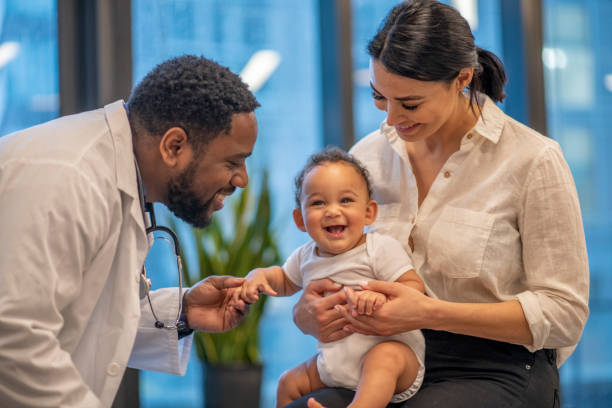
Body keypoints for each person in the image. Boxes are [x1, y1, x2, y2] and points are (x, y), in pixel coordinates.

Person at [290, 1, 590, 407]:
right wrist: (309, 316)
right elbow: (332, 257)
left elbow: (564, 314)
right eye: (381, 98)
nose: (392, 118)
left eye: (410, 103)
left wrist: (429, 312)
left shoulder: (533, 160)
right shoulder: (368, 156)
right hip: (386, 355)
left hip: (497, 365)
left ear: (462, 78)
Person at [0, 55, 258, 407]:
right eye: (232, 162)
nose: (242, 179)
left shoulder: (116, 177)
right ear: (174, 147)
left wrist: (182, 313)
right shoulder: (67, 176)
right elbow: (13, 335)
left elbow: (82, 321)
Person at [238, 147, 425, 408]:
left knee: (383, 357)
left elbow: (414, 287)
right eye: (318, 203)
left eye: (346, 200)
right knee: (287, 383)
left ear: (369, 212)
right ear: (300, 219)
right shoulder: (305, 256)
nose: (332, 211)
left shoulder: (378, 249)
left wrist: (380, 296)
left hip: (395, 359)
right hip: (335, 364)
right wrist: (258, 276)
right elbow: (282, 279)